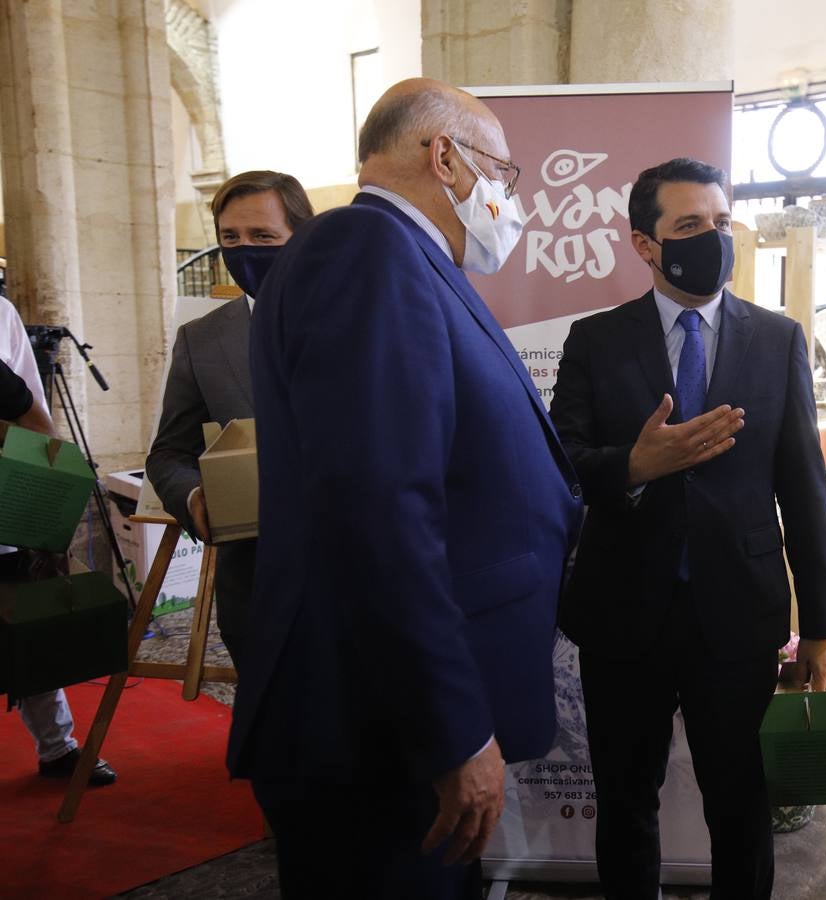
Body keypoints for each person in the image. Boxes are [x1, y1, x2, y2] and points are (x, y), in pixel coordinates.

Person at [229, 78, 582, 898]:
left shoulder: (411, 258)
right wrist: (453, 733)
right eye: (504, 171)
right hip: (381, 733)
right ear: (446, 155)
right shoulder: (367, 250)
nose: (508, 196)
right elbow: (381, 510)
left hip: (392, 723)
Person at [549, 157, 826, 900]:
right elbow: (562, 466)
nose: (711, 238)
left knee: (741, 805)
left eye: (719, 222)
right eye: (688, 226)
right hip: (623, 617)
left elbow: (802, 486)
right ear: (646, 245)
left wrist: (820, 629)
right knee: (625, 803)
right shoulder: (595, 340)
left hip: (738, 617)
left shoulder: (777, 341)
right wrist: (636, 465)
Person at [145, 170, 314, 669]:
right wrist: (196, 498)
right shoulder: (202, 340)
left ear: (301, 237)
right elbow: (169, 453)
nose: (245, 251)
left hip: (359, 576)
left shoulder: (363, 318)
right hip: (256, 583)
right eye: (230, 238)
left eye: (263, 237)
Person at [0, 294, 117, 787]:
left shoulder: (1, 312)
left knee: (34, 625)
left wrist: (43, 494)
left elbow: (33, 409)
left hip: (7, 505)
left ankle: (57, 747)